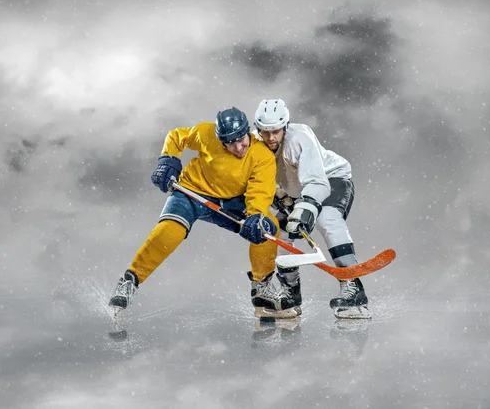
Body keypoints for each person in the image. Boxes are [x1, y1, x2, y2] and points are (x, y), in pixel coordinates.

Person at [109, 107, 298, 318]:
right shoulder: (206, 133)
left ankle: (261, 288)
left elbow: (260, 190)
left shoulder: (261, 155)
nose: (238, 147)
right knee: (168, 232)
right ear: (220, 139)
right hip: (191, 193)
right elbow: (176, 137)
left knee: (266, 230)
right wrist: (167, 160)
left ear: (248, 132)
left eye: (241, 140)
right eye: (230, 143)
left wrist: (256, 214)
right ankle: (130, 280)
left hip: (232, 203)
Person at [254, 98, 371, 319]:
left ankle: (352, 286)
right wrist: (281, 201)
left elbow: (317, 183)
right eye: (265, 132)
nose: (270, 138)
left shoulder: (299, 139)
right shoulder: (253, 144)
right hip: (297, 192)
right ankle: (290, 293)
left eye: (275, 131)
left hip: (330, 179)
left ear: (285, 127)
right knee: (281, 231)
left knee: (327, 218)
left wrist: (305, 210)